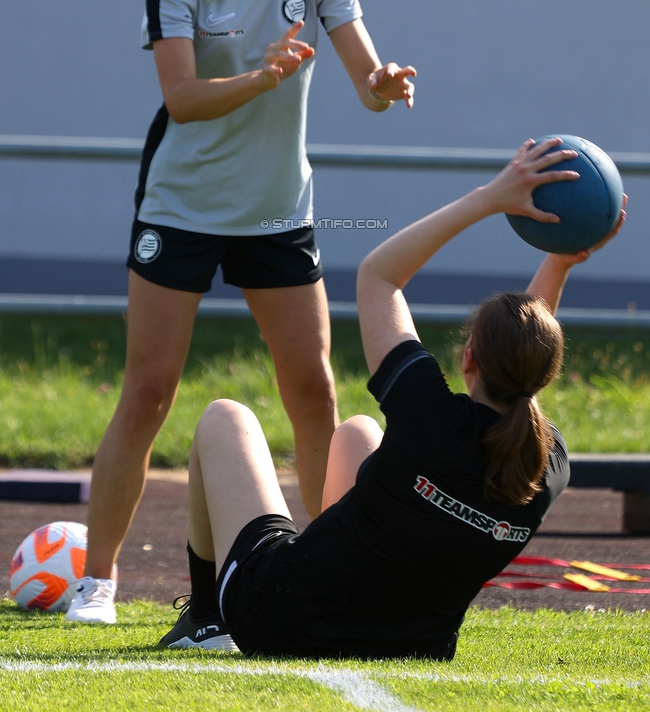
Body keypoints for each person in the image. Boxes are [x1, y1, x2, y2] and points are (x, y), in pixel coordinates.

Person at [66, 0, 416, 625]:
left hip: (276, 213)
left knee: (314, 392)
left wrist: (385, 83)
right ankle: (98, 583)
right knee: (148, 392)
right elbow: (183, 102)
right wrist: (263, 77)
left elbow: (366, 83)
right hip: (180, 208)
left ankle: (328, 571)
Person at [156, 138, 626, 658]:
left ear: (468, 358)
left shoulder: (429, 417)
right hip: (412, 644)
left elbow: (379, 276)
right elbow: (527, 356)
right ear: (545, 373)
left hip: (279, 617)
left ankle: (204, 617)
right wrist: (559, 262)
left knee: (227, 417)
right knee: (358, 432)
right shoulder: (547, 465)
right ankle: (327, 584)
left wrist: (490, 198)